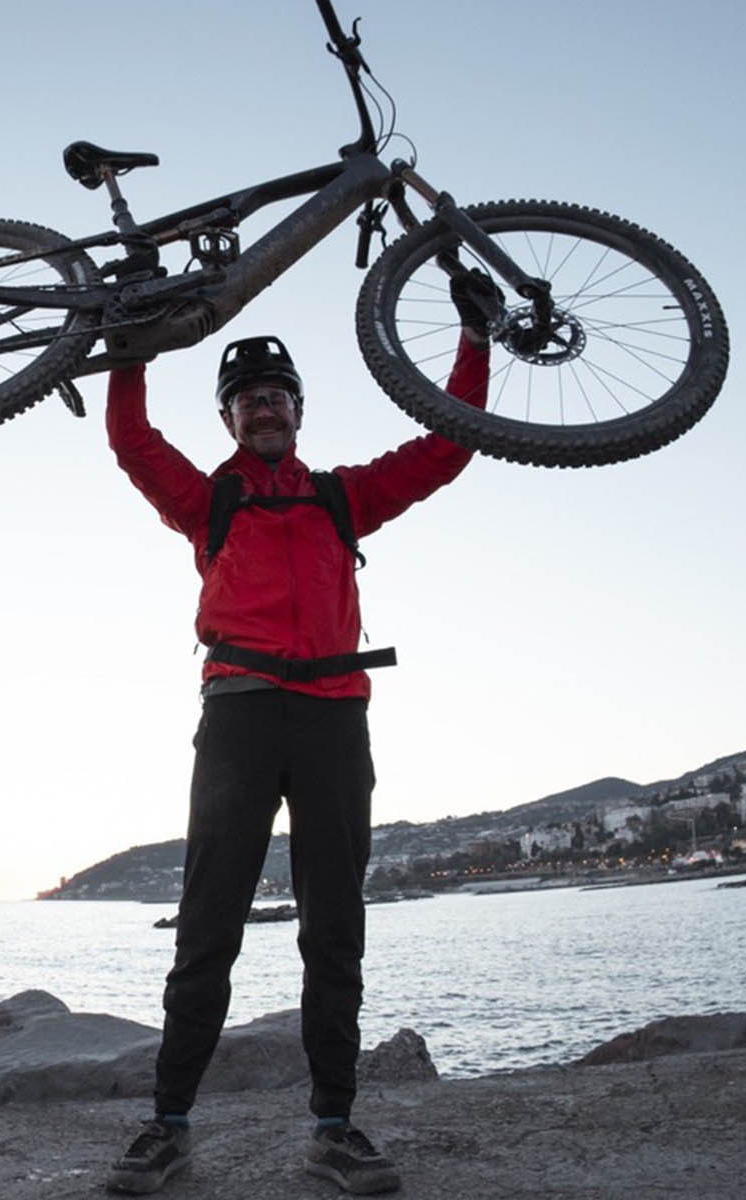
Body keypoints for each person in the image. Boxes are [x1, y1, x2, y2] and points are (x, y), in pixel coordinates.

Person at [101, 275, 498, 1195]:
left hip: (332, 716)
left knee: (335, 930)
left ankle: (334, 1128)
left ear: (298, 413)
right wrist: (132, 348)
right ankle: (167, 1127)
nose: (264, 409)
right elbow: (131, 441)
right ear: (232, 421)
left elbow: (448, 448)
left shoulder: (342, 497)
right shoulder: (211, 502)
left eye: (277, 397)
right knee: (206, 928)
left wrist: (473, 338)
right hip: (238, 713)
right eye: (247, 402)